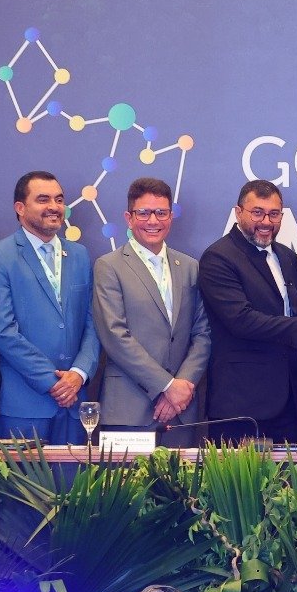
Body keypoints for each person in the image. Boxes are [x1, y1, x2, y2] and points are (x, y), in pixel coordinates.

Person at [197, 179, 297, 443]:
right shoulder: (218, 257)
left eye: (274, 214)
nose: (266, 222)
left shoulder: (287, 257)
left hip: (288, 402)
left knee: (288, 472)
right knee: (236, 474)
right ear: (238, 213)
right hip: (241, 404)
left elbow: (296, 326)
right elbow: (242, 320)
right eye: (257, 213)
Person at [0, 171, 100, 443]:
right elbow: (2, 331)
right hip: (24, 406)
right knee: (24, 475)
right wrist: (52, 382)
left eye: (59, 199)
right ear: (20, 208)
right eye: (43, 199)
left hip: (75, 404)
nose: (54, 207)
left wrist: (79, 374)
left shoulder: (80, 255)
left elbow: (93, 322)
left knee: (76, 474)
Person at [91, 177, 210, 444]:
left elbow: (203, 333)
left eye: (161, 213)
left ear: (171, 216)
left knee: (182, 475)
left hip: (181, 411)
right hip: (129, 409)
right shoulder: (109, 266)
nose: (153, 221)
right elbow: (114, 336)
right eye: (144, 213)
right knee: (126, 476)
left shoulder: (190, 266)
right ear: (129, 218)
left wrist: (181, 387)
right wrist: (166, 386)